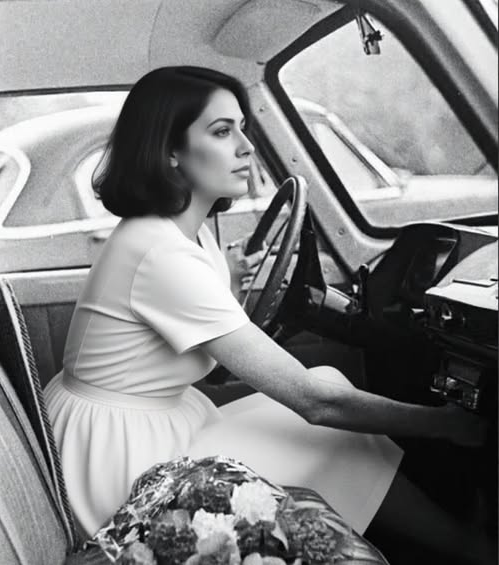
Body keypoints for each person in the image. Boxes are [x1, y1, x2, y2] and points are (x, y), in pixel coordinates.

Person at [44, 66, 491, 563]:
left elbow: (206, 343)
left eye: (242, 127)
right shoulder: (160, 252)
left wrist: (231, 280)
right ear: (170, 151)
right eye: (221, 132)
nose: (246, 147)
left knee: (330, 391)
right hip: (120, 460)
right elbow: (313, 402)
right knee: (328, 417)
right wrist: (443, 423)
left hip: (154, 423)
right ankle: (466, 548)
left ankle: (458, 544)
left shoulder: (187, 231)